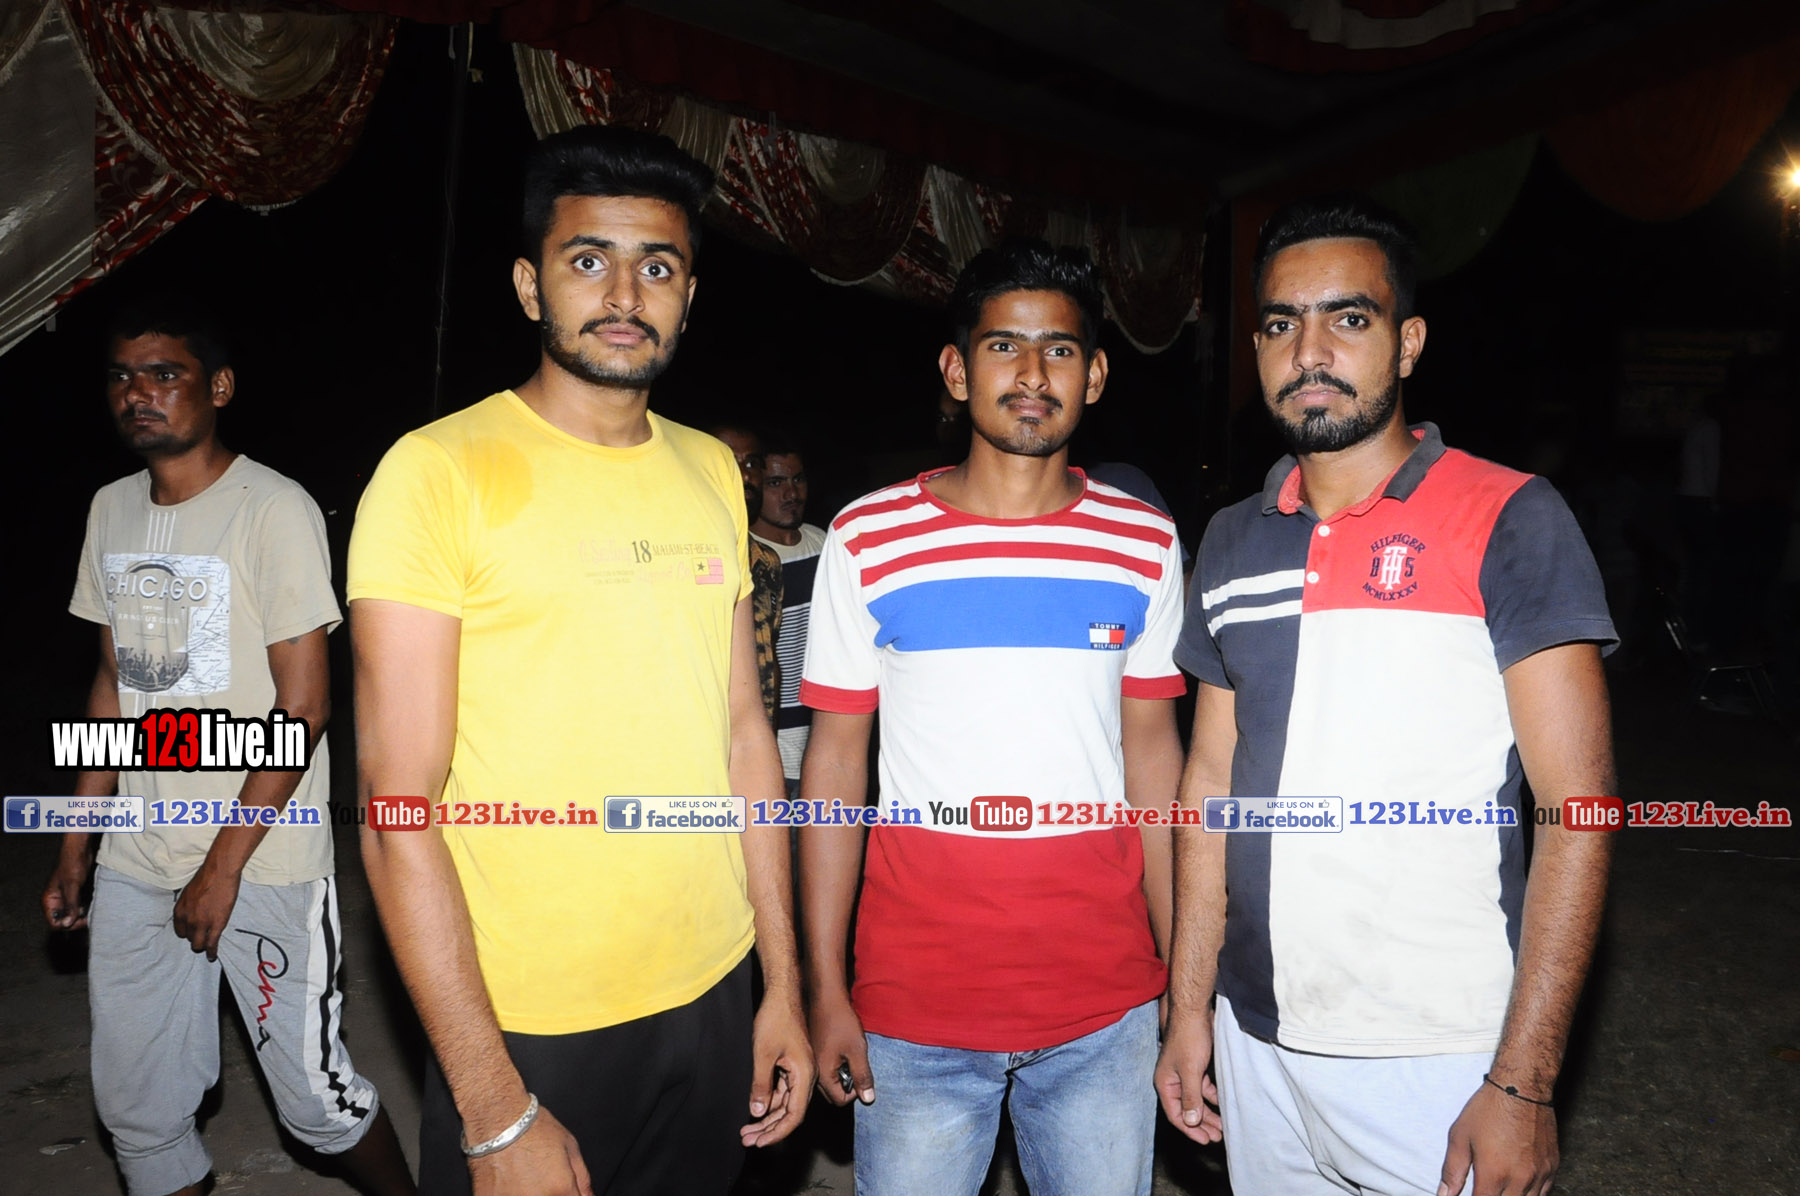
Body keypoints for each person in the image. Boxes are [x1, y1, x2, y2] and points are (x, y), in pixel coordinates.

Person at [347, 125, 810, 1196]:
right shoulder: (436, 473)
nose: (625, 294)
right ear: (529, 285)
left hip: (712, 988)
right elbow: (396, 809)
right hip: (529, 1019)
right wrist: (492, 1105)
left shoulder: (711, 468)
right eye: (588, 259)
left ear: (689, 297)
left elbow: (745, 736)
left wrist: (780, 983)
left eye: (658, 267)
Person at [1155, 196, 1617, 1196]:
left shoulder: (1510, 515)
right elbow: (1208, 786)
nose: (1309, 351)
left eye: (1348, 318)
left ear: (1407, 342)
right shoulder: (1231, 539)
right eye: (1281, 324)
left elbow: (1579, 808)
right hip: (1254, 1035)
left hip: (1440, 1052)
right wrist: (1189, 1007)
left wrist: (1525, 1081)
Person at [801, 240, 1187, 1196]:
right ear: (956, 368)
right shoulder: (866, 536)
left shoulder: (1144, 541)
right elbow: (834, 767)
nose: (1032, 374)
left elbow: (1154, 759)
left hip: (1105, 1005)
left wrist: (1184, 979)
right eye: (1004, 346)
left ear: (1095, 375)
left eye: (1060, 350)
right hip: (913, 1005)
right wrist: (825, 985)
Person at [44, 296, 414, 1196]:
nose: (138, 393)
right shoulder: (109, 509)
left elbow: (305, 706)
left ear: (218, 387)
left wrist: (222, 866)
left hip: (262, 855)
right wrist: (74, 843)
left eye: (163, 374)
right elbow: (111, 690)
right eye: (122, 377)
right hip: (139, 854)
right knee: (137, 1110)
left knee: (315, 1103)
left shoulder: (272, 508)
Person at [748, 434, 827, 797]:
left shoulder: (823, 542)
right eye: (776, 483)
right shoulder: (748, 558)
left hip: (825, 734)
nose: (791, 493)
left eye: (798, 479)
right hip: (774, 744)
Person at [711, 423, 786, 723]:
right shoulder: (679, 557)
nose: (744, 476)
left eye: (752, 463)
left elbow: (768, 660)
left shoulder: (767, 563)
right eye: (728, 461)